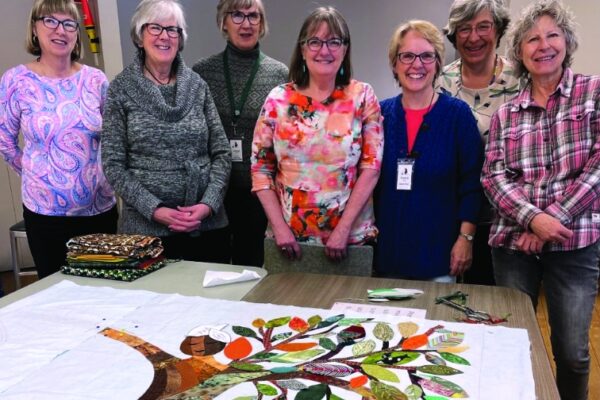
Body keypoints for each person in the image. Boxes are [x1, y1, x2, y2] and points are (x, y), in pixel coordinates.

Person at [481, 1, 600, 398]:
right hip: (514, 246)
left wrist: (549, 222)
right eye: (531, 38)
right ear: (518, 52)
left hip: (575, 243)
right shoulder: (506, 114)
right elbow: (494, 177)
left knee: (573, 353)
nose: (542, 45)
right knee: (513, 345)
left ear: (567, 41)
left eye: (552, 35)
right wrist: (533, 220)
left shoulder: (593, 92)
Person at [101, 0, 231, 263]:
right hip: (145, 232)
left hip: (206, 226)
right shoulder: (121, 89)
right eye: (155, 28)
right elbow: (113, 164)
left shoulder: (197, 86)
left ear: (180, 39)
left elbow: (221, 153)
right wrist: (155, 209)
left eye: (173, 30)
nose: (165, 36)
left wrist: (208, 204)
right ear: (139, 36)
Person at [251, 6, 383, 261]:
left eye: (334, 42)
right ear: (302, 49)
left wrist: (343, 230)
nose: (324, 50)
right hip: (287, 241)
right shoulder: (278, 99)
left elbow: (371, 167)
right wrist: (279, 228)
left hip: (350, 240)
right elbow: (260, 170)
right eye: (315, 42)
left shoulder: (363, 97)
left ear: (345, 49)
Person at [0, 0, 117, 279]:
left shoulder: (96, 80)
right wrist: (38, 174)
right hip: (45, 216)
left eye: (68, 23)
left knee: (105, 294)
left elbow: (113, 138)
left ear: (77, 33)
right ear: (34, 28)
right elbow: (5, 142)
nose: (60, 30)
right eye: (50, 21)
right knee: (56, 299)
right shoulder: (16, 81)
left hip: (99, 210)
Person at [374, 20, 483, 282]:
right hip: (386, 256)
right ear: (394, 63)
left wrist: (465, 238)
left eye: (426, 56)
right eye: (407, 56)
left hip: (440, 258)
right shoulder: (379, 114)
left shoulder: (457, 116)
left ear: (437, 64)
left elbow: (473, 185)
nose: (417, 64)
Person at [193, 0, 288, 267]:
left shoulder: (279, 74)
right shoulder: (202, 72)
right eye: (237, 15)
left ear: (262, 23)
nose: (246, 24)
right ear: (223, 22)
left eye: (253, 16)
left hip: (261, 196)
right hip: (214, 194)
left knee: (255, 269)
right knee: (213, 269)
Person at [439, 0, 520, 285]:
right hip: (452, 219)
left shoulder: (522, 81)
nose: (473, 37)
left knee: (500, 309)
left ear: (497, 30)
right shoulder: (441, 82)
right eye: (464, 29)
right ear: (454, 35)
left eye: (483, 26)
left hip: (508, 224)